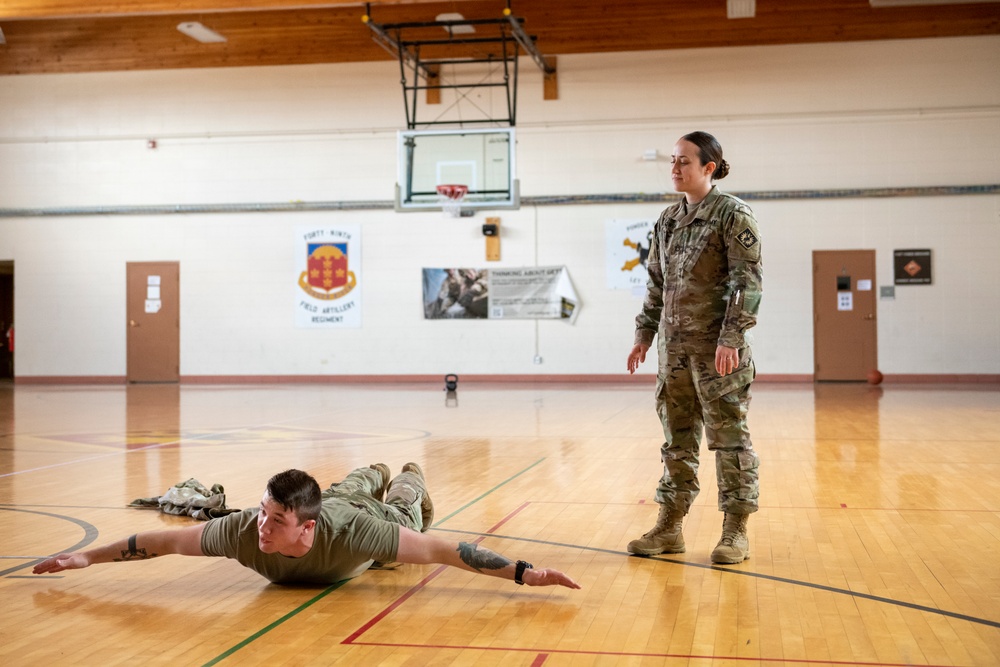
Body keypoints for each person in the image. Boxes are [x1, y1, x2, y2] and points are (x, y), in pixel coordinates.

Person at [33, 463, 581, 589]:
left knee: (406, 496)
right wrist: (86, 557)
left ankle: (405, 473)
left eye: (275, 521)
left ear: (306, 530)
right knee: (352, 481)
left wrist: (524, 573)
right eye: (262, 513)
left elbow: (444, 550)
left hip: (372, 515)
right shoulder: (246, 530)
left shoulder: (358, 536)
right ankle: (375, 468)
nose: (260, 529)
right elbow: (161, 541)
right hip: (336, 498)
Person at [626, 131, 762, 565]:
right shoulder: (667, 220)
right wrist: (644, 335)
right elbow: (656, 285)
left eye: (684, 161)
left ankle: (735, 531)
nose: (675, 167)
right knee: (677, 441)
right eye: (672, 160)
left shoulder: (733, 216)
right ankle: (669, 526)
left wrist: (731, 338)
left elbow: (747, 285)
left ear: (709, 166)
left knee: (730, 440)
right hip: (674, 354)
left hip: (718, 354)